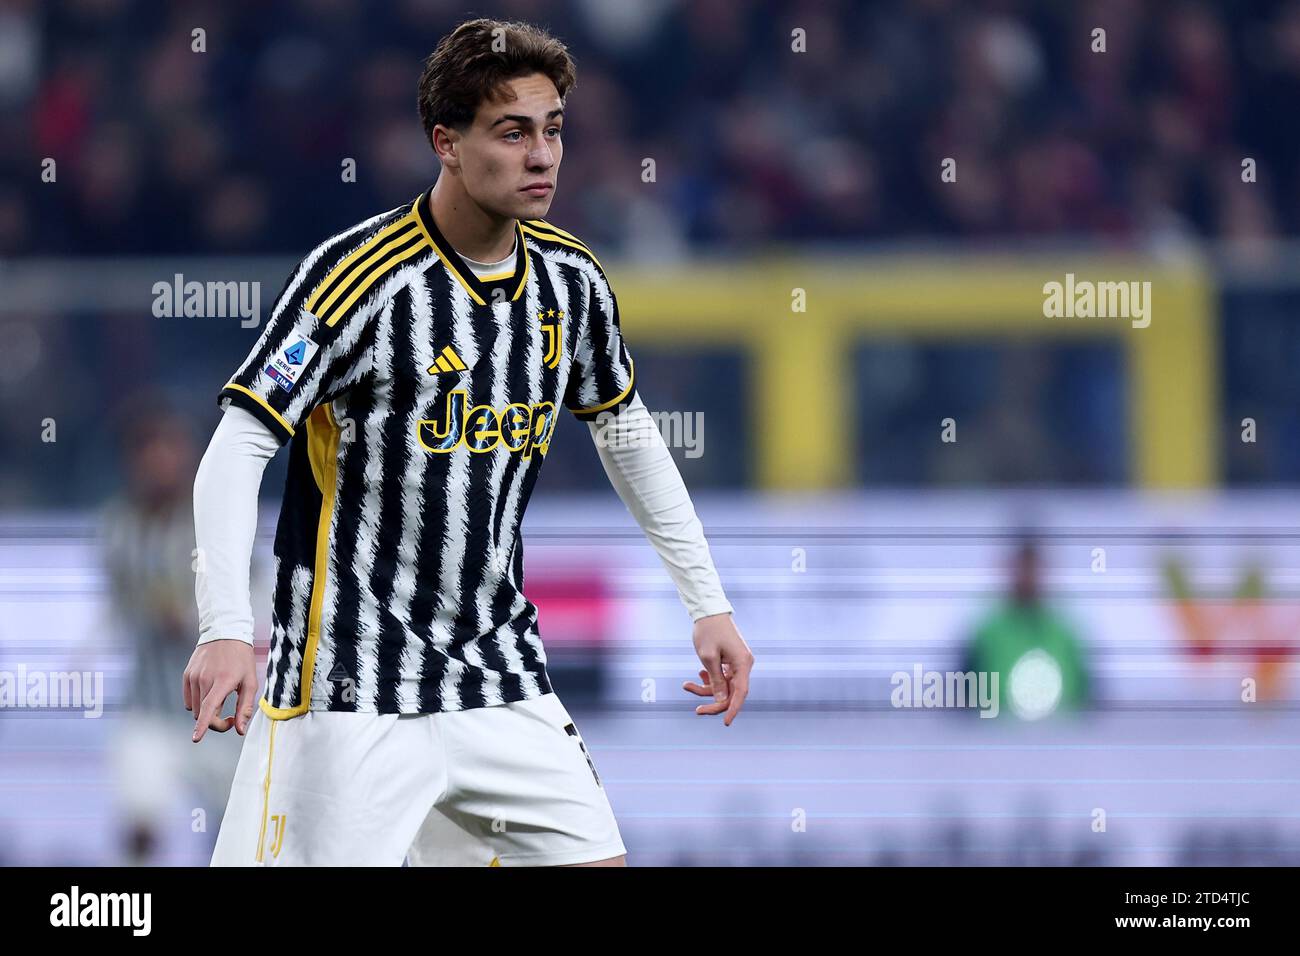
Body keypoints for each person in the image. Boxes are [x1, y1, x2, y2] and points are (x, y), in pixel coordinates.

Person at [185, 17, 753, 867]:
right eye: (513, 131)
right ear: (445, 142)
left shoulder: (572, 281)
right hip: (351, 688)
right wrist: (225, 624)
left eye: (554, 129)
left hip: (498, 676)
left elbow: (629, 435)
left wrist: (708, 604)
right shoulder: (360, 279)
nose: (542, 156)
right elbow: (239, 441)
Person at [100, 408, 242, 863]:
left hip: (215, 704)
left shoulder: (213, 520)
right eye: (149, 452)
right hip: (151, 704)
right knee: (140, 821)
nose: (160, 462)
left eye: (169, 450)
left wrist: (192, 618)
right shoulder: (118, 526)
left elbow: (252, 592)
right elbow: (118, 604)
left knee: (232, 822)